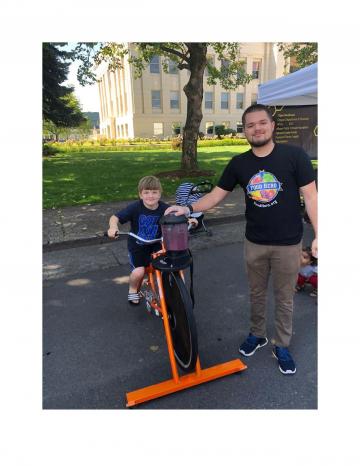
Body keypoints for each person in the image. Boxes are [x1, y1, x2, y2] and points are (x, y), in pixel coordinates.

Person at [165, 103, 318, 375]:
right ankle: (257, 334)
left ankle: (282, 345)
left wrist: (320, 234)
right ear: (245, 131)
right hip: (255, 242)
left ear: (272, 126)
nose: (256, 128)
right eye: (250, 125)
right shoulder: (240, 163)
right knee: (257, 293)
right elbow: (215, 196)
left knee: (284, 298)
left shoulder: (295, 157)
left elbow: (312, 197)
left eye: (262, 123)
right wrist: (188, 208)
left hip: (289, 243)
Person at [108, 175, 197, 306]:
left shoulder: (164, 209)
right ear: (140, 194)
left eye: (154, 192)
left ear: (160, 194)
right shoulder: (135, 208)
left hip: (158, 244)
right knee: (139, 272)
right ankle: (133, 289)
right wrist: (113, 227)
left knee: (168, 266)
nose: (150, 196)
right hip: (138, 246)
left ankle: (171, 288)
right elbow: (115, 218)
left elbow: (177, 216)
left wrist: (188, 221)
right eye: (146, 192)